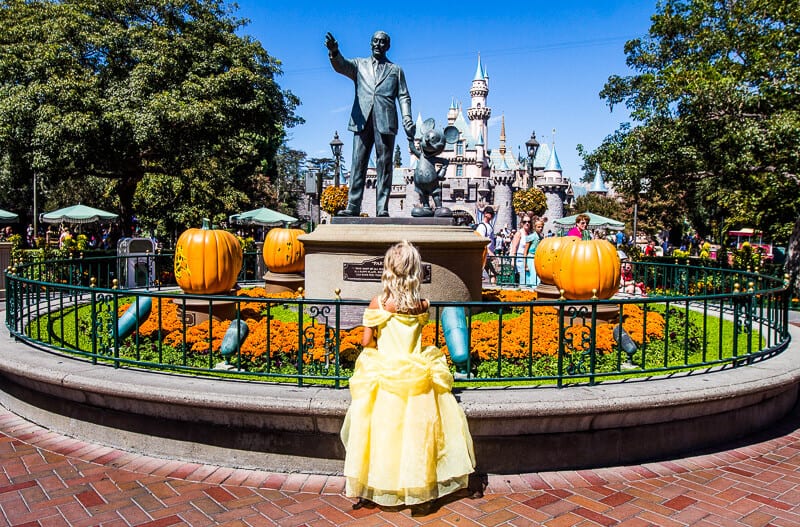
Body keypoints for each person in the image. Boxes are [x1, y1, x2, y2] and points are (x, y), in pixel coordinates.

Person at [341, 241, 476, 514]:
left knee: (383, 432)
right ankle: (417, 486)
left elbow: (367, 341)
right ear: (414, 270)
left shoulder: (379, 303)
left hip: (387, 373)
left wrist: (376, 338)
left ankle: (383, 483)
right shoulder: (422, 304)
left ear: (389, 268)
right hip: (416, 373)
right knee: (418, 437)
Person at [326, 31, 415, 217]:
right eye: (375, 41)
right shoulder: (359, 65)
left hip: (386, 120)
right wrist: (334, 52)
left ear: (388, 46)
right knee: (358, 163)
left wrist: (407, 118)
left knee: (385, 165)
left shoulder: (396, 70)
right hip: (362, 118)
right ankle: (353, 206)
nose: (378, 45)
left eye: (382, 42)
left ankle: (382, 207)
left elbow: (404, 96)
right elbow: (341, 66)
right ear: (370, 43)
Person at [475, 206, 497, 284]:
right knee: (489, 274)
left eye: (492, 214)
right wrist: (491, 253)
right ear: (485, 214)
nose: (491, 215)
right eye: (490, 213)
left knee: (493, 274)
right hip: (484, 255)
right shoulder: (482, 226)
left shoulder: (489, 226)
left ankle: (493, 289)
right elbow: (481, 241)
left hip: (488, 256)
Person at [510, 215, 532, 285]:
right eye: (525, 222)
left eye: (529, 222)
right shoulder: (519, 233)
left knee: (527, 279)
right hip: (520, 258)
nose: (527, 223)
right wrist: (513, 261)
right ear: (522, 223)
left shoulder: (530, 234)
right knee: (523, 279)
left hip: (527, 258)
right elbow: (514, 248)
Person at [523, 219, 545, 286]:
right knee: (533, 274)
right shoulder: (531, 237)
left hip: (537, 257)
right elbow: (525, 251)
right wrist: (525, 264)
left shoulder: (541, 237)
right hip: (531, 257)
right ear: (535, 227)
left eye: (541, 227)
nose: (540, 228)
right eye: (538, 227)